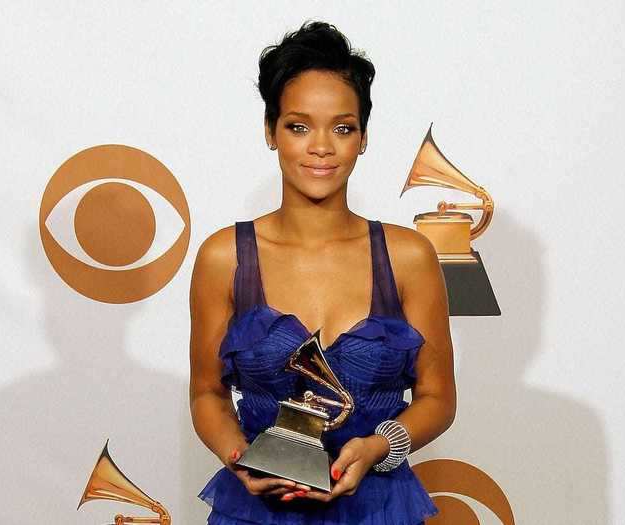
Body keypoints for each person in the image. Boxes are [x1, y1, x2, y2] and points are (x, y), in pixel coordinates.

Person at [189, 20, 456, 525]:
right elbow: (207, 391)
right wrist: (237, 457)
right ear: (270, 132)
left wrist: (380, 445)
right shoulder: (225, 256)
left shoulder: (408, 256)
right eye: (298, 126)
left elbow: (437, 396)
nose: (321, 147)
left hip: (378, 507)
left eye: (342, 127)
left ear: (363, 138)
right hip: (257, 510)